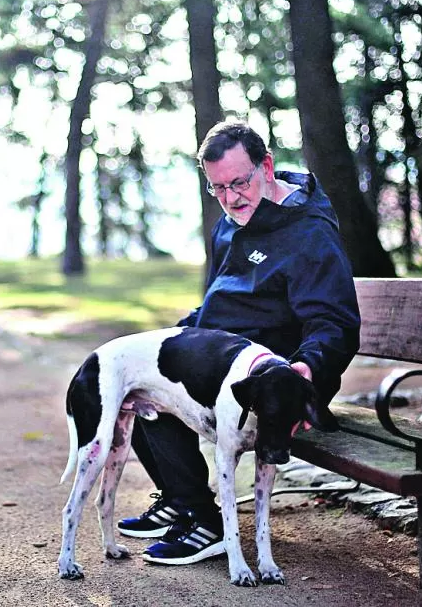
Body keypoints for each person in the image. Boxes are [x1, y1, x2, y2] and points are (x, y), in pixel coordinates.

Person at [118, 120, 361, 566]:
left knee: (162, 385)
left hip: (280, 375)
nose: (230, 198)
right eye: (218, 188)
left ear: (266, 166)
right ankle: (179, 498)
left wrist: (308, 368)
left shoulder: (309, 234)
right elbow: (217, 304)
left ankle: (203, 520)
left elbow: (335, 324)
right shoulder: (228, 225)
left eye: (239, 182)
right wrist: (176, 332)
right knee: (134, 372)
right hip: (221, 358)